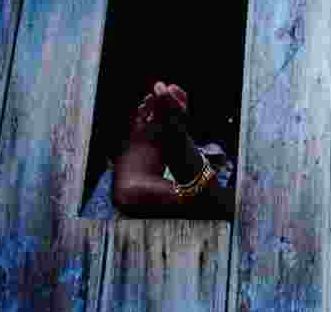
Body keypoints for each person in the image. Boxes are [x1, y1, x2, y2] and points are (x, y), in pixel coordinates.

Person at [80, 81, 237, 220]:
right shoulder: (113, 180)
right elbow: (128, 190)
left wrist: (174, 135)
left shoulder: (223, 170)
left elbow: (215, 203)